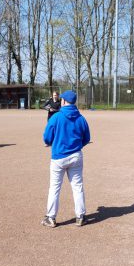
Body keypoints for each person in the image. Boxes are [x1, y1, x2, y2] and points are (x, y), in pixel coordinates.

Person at [41, 90, 90, 228]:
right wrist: (76, 146)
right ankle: (80, 217)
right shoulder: (81, 118)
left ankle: (51, 218)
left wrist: (53, 143)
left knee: (54, 188)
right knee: (77, 187)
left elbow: (46, 137)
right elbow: (87, 138)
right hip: (76, 156)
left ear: (63, 101)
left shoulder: (56, 117)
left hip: (58, 157)